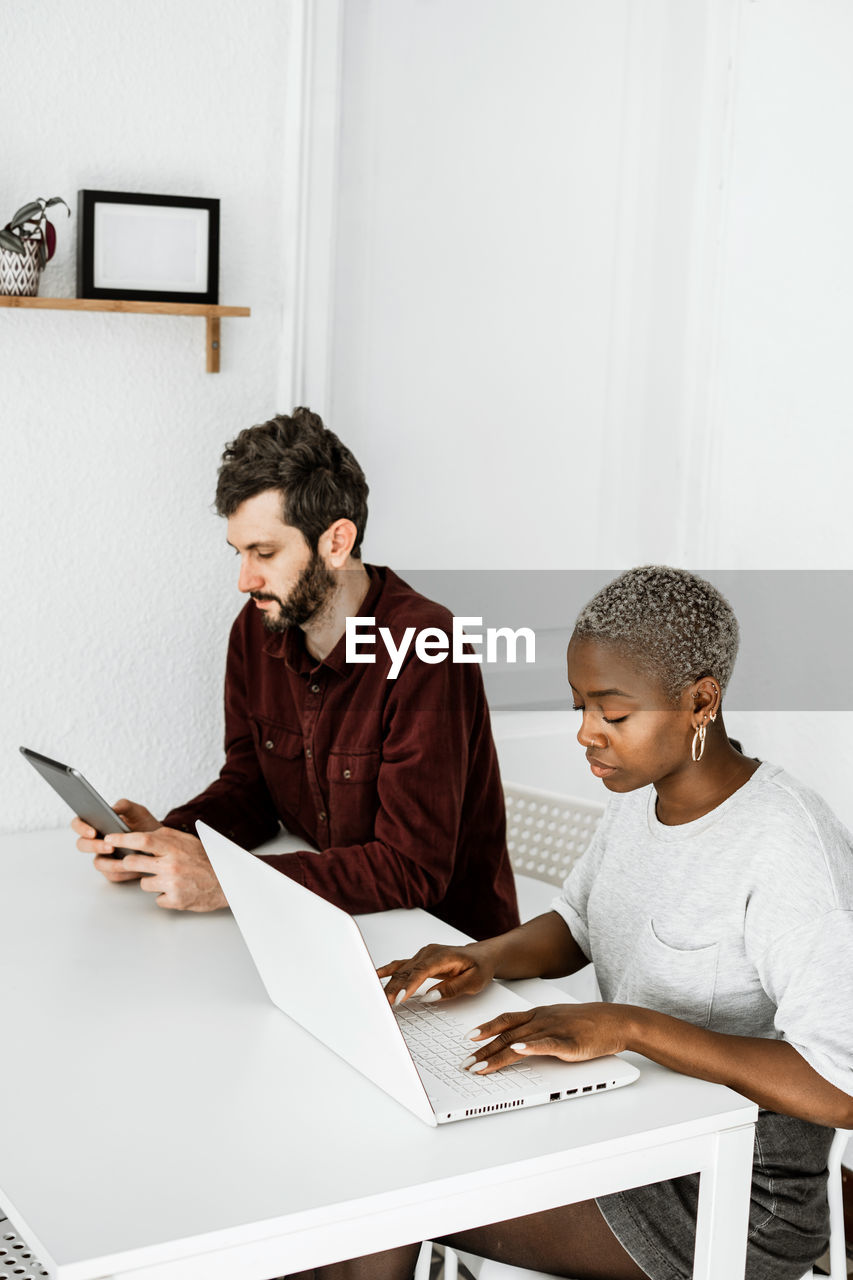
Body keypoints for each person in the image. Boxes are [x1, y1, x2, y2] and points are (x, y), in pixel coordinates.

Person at [307, 566, 853, 1280]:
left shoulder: (786, 847)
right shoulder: (639, 791)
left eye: (613, 714)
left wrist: (630, 1026)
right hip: (631, 1124)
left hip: (735, 1193)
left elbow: (840, 1088)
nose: (587, 735)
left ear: (699, 702)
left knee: (380, 1192)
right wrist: (487, 957)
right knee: (366, 1148)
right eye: (580, 708)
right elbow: (579, 922)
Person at [72, 408, 518, 940]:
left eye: (264, 552)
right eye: (239, 553)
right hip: (331, 927)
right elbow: (252, 787)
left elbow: (411, 868)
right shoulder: (257, 627)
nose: (245, 579)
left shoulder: (425, 647)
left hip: (446, 950)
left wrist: (230, 880)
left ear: (336, 542)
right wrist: (170, 838)